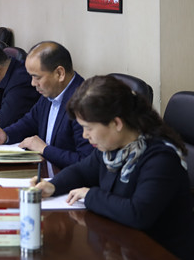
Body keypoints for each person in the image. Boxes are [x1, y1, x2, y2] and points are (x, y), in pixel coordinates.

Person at [31, 75, 194, 259]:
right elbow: (81, 171)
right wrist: (52, 186)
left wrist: (90, 195)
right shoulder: (112, 148)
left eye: (89, 128)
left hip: (157, 252)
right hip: (122, 243)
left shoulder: (160, 159)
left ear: (116, 123)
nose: (85, 135)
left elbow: (137, 214)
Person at [0, 41, 92, 168]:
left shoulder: (84, 103)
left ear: (59, 73)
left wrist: (44, 149)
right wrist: (6, 135)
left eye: (37, 77)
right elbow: (30, 121)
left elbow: (86, 162)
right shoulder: (51, 92)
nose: (33, 83)